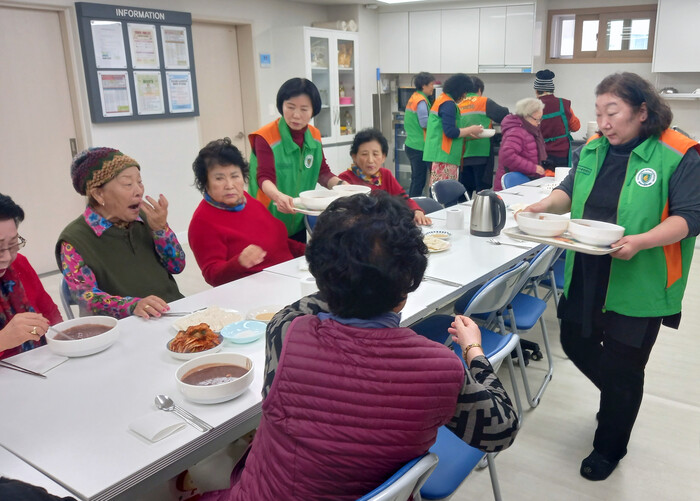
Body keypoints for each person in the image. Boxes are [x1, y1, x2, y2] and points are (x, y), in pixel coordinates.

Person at [202, 193, 519, 500]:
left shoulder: (287, 333)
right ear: (409, 284)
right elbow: (502, 430)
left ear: (320, 275)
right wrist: (473, 350)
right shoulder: (440, 367)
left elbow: (295, 309)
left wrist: (342, 279)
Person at [522, 72, 700, 481]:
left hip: (641, 278)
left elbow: (691, 218)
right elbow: (568, 191)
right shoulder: (594, 147)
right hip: (587, 268)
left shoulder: (678, 152)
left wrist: (642, 240)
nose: (603, 122)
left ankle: (609, 446)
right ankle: (621, 396)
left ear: (642, 111)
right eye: (598, 112)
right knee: (574, 340)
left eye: (613, 112)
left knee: (624, 367)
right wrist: (541, 208)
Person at [56, 148, 185, 320]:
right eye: (128, 184)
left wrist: (160, 230)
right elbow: (86, 297)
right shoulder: (75, 239)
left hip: (173, 312)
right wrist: (132, 306)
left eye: (140, 182)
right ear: (98, 194)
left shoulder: (147, 219)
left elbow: (177, 266)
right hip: (125, 325)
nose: (139, 191)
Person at [188, 138, 306, 287]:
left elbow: (278, 241)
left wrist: (310, 250)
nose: (229, 185)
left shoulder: (246, 200)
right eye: (219, 178)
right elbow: (213, 276)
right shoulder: (202, 222)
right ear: (205, 183)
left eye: (235, 176)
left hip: (289, 275)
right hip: (256, 289)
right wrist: (239, 263)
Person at [247, 78, 346, 242]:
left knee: (298, 257)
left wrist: (343, 186)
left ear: (313, 110)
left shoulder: (314, 136)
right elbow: (264, 177)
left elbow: (322, 172)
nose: (296, 115)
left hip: (297, 218)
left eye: (304, 109)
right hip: (266, 218)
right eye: (290, 107)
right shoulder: (265, 137)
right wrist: (278, 197)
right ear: (281, 106)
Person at [0, 194, 62, 360]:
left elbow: (49, 313)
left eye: (13, 245)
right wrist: (3, 340)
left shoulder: (19, 264)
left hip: (40, 362)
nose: (7, 257)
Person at [339, 128, 432, 225]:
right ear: (354, 156)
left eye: (375, 154)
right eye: (364, 154)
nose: (370, 160)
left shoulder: (385, 174)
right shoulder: (345, 180)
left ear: (383, 157)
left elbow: (403, 198)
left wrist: (416, 211)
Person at [422, 74, 484, 185]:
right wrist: (470, 129)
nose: (465, 96)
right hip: (443, 156)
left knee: (439, 191)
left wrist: (468, 133)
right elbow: (450, 132)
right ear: (459, 90)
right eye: (464, 92)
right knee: (445, 192)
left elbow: (447, 129)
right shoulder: (448, 104)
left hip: (438, 154)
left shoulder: (442, 100)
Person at [458, 76, 509, 195]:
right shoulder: (484, 102)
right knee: (482, 193)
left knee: (464, 193)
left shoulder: (458, 105)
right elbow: (504, 114)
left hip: (463, 156)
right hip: (481, 154)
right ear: (479, 90)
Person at [494, 97, 547, 190]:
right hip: (513, 185)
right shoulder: (516, 132)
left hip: (524, 182)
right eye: (537, 119)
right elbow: (507, 155)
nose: (539, 123)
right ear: (526, 116)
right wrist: (533, 168)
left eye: (540, 119)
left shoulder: (530, 130)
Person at [534, 69, 581, 167]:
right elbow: (576, 127)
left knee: (540, 177)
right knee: (560, 177)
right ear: (552, 90)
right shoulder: (563, 104)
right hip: (561, 154)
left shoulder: (532, 107)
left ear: (537, 91)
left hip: (540, 154)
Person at [405, 72, 435, 197]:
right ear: (424, 85)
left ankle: (412, 204)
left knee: (417, 180)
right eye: (431, 84)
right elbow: (424, 123)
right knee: (419, 181)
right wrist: (438, 123)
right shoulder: (421, 101)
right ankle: (413, 206)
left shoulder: (414, 97)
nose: (433, 87)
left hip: (412, 144)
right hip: (419, 146)